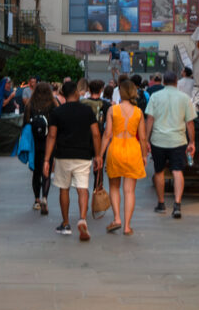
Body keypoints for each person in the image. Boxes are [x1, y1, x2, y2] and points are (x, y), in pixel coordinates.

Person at [44, 81, 102, 241]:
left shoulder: (57, 112)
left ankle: (66, 223)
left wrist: (47, 159)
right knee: (83, 188)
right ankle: (82, 218)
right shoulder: (87, 111)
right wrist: (98, 155)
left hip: (63, 155)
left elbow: (52, 136)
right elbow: (96, 134)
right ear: (76, 93)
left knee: (64, 188)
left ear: (62, 94)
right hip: (83, 155)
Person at [145, 71, 197, 218]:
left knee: (159, 171)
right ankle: (177, 204)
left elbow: (150, 119)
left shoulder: (155, 97)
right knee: (177, 171)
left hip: (158, 140)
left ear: (163, 82)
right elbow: (190, 123)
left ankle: (161, 204)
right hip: (178, 141)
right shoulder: (185, 98)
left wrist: (146, 140)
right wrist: (192, 142)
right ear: (176, 82)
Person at [101, 79, 149, 235]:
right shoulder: (138, 112)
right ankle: (127, 226)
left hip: (115, 148)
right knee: (129, 191)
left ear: (121, 92)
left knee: (114, 186)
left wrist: (99, 155)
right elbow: (142, 137)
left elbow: (107, 134)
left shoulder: (112, 110)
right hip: (132, 149)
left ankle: (117, 219)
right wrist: (144, 155)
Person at [25, 82, 56, 214]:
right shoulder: (53, 105)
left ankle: (36, 200)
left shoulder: (30, 105)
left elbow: (25, 124)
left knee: (36, 172)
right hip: (48, 142)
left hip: (34, 143)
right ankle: (45, 198)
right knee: (46, 172)